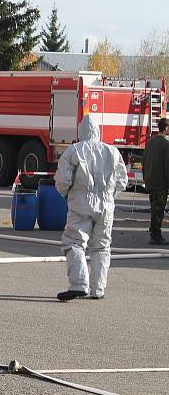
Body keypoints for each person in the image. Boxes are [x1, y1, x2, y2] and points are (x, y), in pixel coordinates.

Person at [55, 115, 128, 301]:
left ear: (81, 133)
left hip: (81, 203)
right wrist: (109, 196)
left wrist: (68, 193)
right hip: (106, 206)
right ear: (98, 131)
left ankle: (79, 284)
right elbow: (122, 181)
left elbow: (62, 181)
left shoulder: (73, 151)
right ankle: (98, 289)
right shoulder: (112, 152)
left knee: (74, 242)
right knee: (101, 246)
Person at [143, 117, 169, 245]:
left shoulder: (150, 143)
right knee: (158, 209)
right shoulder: (165, 144)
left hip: (150, 181)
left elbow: (144, 162)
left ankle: (154, 232)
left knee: (154, 208)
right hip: (160, 183)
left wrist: (145, 179)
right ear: (166, 128)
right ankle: (155, 235)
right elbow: (167, 166)